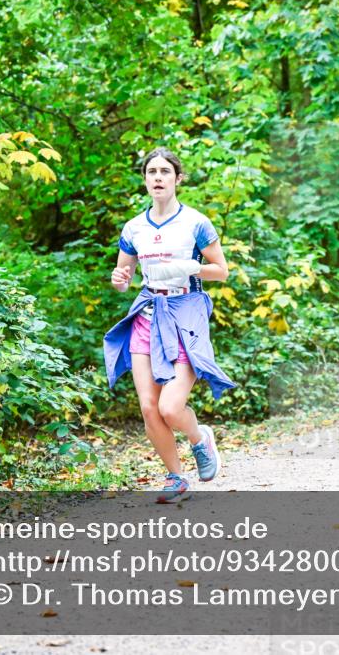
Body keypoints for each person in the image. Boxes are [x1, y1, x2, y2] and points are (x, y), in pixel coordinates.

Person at [103, 147, 235, 504]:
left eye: (164, 171)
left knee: (170, 407)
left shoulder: (196, 222)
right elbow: (123, 278)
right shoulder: (134, 228)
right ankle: (175, 477)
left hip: (186, 312)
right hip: (147, 313)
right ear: (145, 180)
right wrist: (118, 278)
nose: (157, 177)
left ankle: (199, 439)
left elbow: (222, 271)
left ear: (178, 179)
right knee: (148, 407)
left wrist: (187, 268)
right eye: (151, 172)